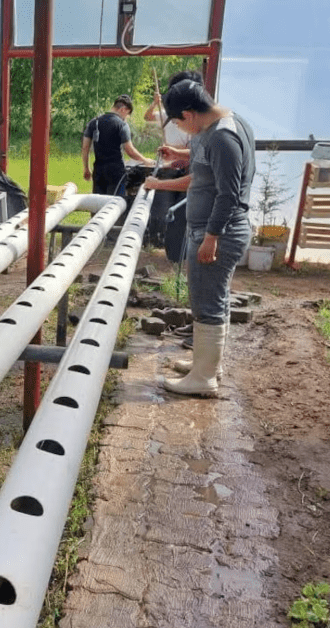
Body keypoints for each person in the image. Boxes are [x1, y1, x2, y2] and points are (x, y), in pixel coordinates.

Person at [144, 79, 255, 397]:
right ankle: (206, 366)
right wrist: (178, 157)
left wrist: (212, 237)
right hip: (213, 229)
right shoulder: (223, 125)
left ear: (190, 114)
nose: (179, 126)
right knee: (213, 299)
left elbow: (228, 194)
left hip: (218, 231)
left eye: (178, 120)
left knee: (208, 302)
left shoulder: (223, 137)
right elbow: (205, 173)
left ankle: (204, 378)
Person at [82, 94, 155, 195]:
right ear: (123, 109)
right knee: (115, 204)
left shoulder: (94, 122)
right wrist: (145, 160)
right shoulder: (121, 125)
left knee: (97, 203)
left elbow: (85, 148)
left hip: (98, 170)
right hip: (116, 171)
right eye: (127, 114)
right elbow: (129, 150)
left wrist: (86, 168)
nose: (126, 118)